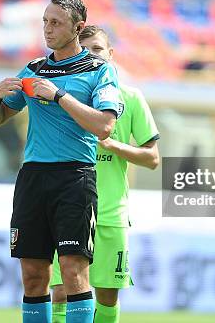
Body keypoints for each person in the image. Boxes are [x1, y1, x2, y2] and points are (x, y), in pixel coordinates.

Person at [0, 0, 121, 323]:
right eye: (45, 21)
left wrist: (59, 96)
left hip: (74, 178)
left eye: (56, 22)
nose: (47, 29)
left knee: (73, 273)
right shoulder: (34, 69)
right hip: (32, 178)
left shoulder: (99, 71)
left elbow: (104, 125)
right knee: (32, 276)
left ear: (78, 27)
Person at [49, 25, 160, 323]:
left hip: (111, 214)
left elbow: (152, 158)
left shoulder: (131, 98)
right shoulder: (66, 97)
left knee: (107, 297)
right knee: (60, 292)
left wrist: (112, 144)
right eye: (86, 51)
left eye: (98, 49)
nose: (92, 56)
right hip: (68, 209)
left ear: (110, 54)